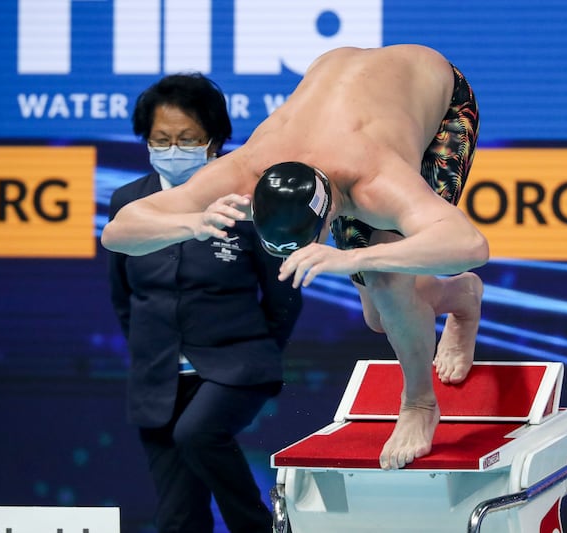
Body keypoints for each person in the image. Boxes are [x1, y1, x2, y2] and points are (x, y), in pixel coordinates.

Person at [102, 45, 488, 471]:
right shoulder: (243, 171)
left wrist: (354, 259)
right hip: (340, 92)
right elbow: (119, 232)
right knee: (379, 318)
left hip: (438, 97)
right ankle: (460, 297)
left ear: (330, 216)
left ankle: (418, 402)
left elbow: (469, 245)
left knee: (386, 280)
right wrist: (192, 223)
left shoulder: (374, 181)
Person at [107, 73, 302, 533]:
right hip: (157, 376)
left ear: (213, 141)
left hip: (236, 364)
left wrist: (258, 352)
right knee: (178, 517)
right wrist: (149, 346)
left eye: (187, 139)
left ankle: (259, 526)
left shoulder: (250, 199)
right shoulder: (128, 202)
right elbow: (124, 298)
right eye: (162, 140)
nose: (174, 149)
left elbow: (283, 296)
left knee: (198, 434)